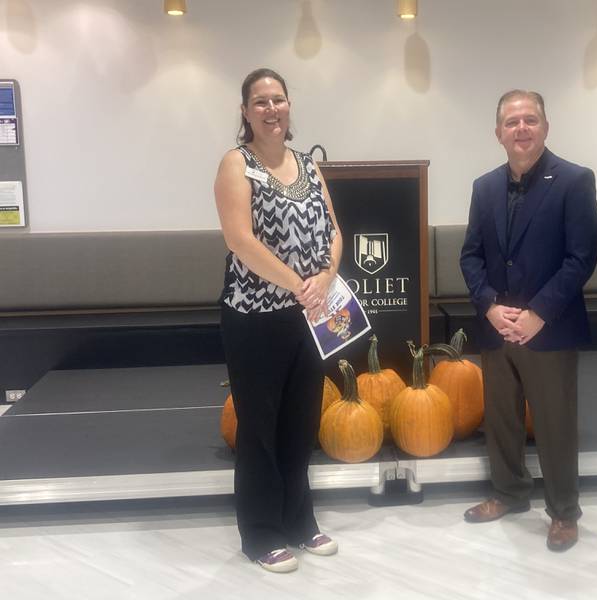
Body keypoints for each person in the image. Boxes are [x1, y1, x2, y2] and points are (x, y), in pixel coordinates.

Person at [459, 90, 597, 551]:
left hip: (550, 327)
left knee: (555, 422)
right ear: (497, 132)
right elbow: (471, 256)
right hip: (497, 326)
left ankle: (563, 512)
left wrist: (539, 313)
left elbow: (581, 258)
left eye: (530, 120)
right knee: (501, 418)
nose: (521, 128)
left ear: (545, 126)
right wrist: (489, 306)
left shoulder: (575, 181)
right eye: (512, 121)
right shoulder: (484, 187)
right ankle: (509, 492)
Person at [214, 68, 343, 573]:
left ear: (290, 108)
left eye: (279, 100)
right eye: (261, 101)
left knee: (300, 423)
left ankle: (300, 521)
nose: (272, 109)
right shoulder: (236, 164)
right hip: (254, 318)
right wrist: (298, 282)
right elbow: (239, 240)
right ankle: (261, 532)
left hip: (310, 315)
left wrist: (327, 276)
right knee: (260, 428)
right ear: (245, 112)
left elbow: (334, 230)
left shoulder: (309, 165)